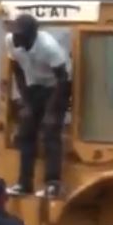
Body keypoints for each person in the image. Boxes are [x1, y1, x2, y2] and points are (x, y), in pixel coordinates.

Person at [5, 13, 71, 198]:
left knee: (50, 130)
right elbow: (17, 70)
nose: (15, 37)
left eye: (20, 34)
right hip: (34, 85)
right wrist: (26, 102)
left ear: (31, 35)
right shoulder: (11, 41)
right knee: (25, 132)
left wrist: (51, 111)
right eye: (14, 33)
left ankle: (53, 184)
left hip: (57, 85)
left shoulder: (49, 48)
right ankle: (24, 183)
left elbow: (63, 78)